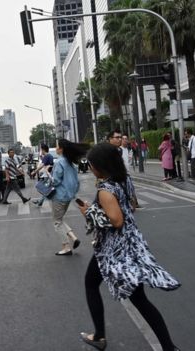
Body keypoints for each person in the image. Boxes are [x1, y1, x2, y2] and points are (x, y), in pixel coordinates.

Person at [76, 143, 180, 351]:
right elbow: (131, 206)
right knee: (97, 284)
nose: (89, 167)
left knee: (137, 299)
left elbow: (116, 221)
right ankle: (167, 347)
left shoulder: (106, 190)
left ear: (99, 166)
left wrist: (89, 212)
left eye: (91, 163)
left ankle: (100, 336)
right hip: (129, 244)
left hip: (115, 251)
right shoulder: (122, 181)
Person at [50, 139, 89, 256]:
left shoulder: (59, 162)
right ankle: (74, 238)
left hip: (59, 196)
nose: (56, 149)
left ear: (61, 149)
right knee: (60, 219)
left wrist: (49, 180)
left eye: (57, 147)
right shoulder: (71, 162)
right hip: (68, 196)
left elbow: (56, 180)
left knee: (57, 222)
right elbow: (76, 182)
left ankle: (66, 247)